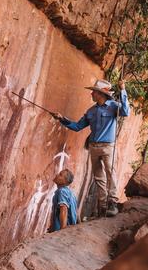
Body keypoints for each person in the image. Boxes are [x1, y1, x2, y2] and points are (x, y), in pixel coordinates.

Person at [52, 79, 130, 218]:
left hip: (108, 147)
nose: (92, 94)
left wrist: (123, 89)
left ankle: (112, 202)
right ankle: (103, 206)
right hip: (94, 147)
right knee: (99, 177)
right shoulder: (91, 111)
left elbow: (126, 112)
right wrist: (62, 119)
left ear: (101, 94)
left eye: (94, 92)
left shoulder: (114, 106)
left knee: (110, 173)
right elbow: (77, 127)